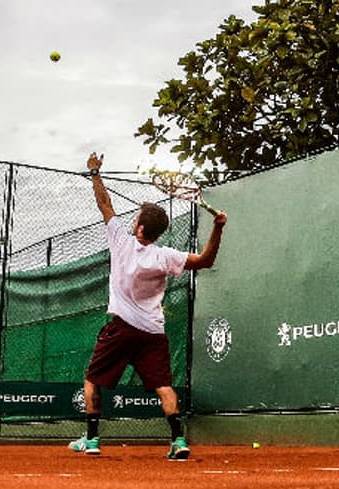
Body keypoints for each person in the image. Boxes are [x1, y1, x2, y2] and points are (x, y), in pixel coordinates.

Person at [69, 152, 227, 460]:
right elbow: (206, 261)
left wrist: (95, 172)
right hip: (152, 334)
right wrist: (218, 228)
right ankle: (179, 441)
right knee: (164, 387)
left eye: (136, 219)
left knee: (91, 381)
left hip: (120, 330)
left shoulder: (120, 239)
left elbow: (104, 204)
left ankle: (91, 440)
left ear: (140, 230)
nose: (132, 220)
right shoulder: (165, 255)